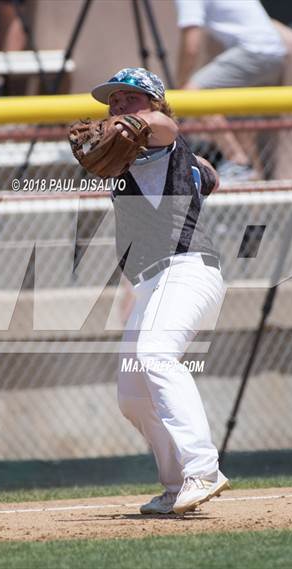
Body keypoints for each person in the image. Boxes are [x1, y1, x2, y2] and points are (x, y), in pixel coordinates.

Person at [90, 67, 229, 515]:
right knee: (132, 394)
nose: (116, 106)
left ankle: (203, 469)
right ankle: (176, 486)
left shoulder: (159, 133)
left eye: (127, 98)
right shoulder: (149, 155)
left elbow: (167, 126)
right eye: (112, 101)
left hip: (185, 268)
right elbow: (209, 176)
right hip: (154, 282)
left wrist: (139, 124)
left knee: (155, 355)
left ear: (150, 102)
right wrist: (195, 168)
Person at [175, 0, 287, 181]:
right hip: (275, 54)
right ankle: (250, 173)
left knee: (190, 94)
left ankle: (238, 161)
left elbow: (191, 44)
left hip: (253, 51)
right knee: (240, 121)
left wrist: (180, 87)